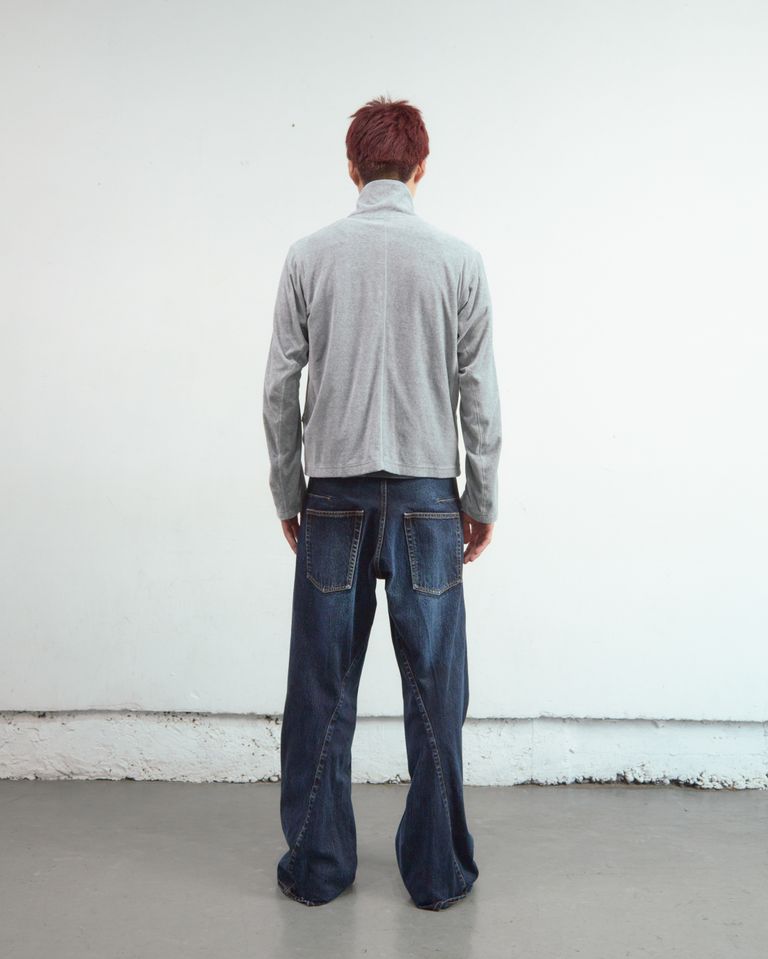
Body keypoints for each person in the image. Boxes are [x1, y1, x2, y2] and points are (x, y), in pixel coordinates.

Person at [262, 95, 502, 910]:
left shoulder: (310, 255)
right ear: (421, 167)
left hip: (332, 496)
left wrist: (288, 489)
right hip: (430, 501)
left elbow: (279, 387)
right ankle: (437, 872)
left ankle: (318, 867)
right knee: (435, 692)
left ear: (353, 167)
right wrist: (481, 495)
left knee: (321, 691)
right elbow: (480, 394)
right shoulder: (459, 261)